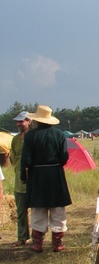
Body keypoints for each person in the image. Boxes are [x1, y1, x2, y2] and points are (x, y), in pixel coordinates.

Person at [20, 105, 72, 253]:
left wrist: (24, 177)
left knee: (38, 209)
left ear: (36, 120)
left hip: (37, 176)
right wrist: (55, 166)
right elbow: (64, 157)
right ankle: (57, 243)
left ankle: (38, 244)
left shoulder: (30, 136)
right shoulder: (59, 135)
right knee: (57, 209)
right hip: (55, 174)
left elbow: (25, 159)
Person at [9, 111, 33, 246]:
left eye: (21, 121)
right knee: (21, 212)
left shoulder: (33, 137)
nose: (19, 124)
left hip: (33, 180)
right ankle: (22, 237)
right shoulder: (15, 139)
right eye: (17, 121)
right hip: (19, 180)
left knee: (36, 211)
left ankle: (37, 238)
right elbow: (13, 157)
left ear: (29, 121)